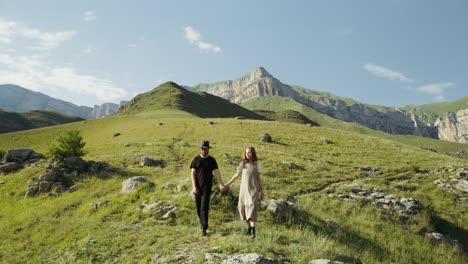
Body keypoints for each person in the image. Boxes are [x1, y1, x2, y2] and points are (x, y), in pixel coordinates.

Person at [222, 146, 264, 238]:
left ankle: (253, 231)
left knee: (252, 209)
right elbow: (236, 175)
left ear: (253, 153)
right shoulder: (242, 164)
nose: (247, 154)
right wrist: (227, 184)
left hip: (254, 190)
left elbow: (259, 179)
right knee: (245, 210)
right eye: (246, 152)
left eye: (249, 152)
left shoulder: (257, 165)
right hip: (244, 190)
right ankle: (249, 228)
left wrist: (262, 191)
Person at [190, 140, 224, 236]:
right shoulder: (195, 159)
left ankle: (203, 228)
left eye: (205, 149)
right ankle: (203, 223)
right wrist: (194, 186)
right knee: (198, 207)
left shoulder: (212, 160)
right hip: (197, 187)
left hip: (207, 187)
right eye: (202, 148)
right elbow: (192, 173)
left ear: (208, 149)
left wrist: (220, 183)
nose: (204, 150)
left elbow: (217, 172)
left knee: (204, 207)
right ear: (200, 149)